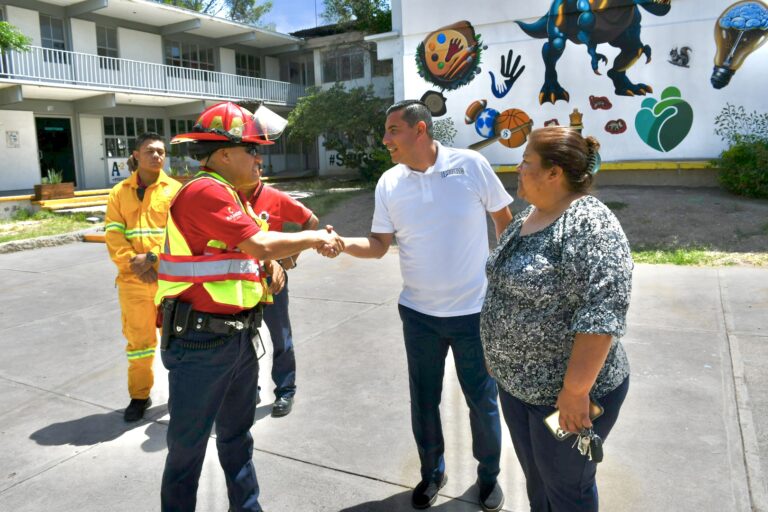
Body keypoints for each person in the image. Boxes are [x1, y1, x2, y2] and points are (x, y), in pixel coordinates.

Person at [155, 101, 344, 512]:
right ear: (224, 154)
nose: (260, 157)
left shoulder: (231, 196)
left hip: (236, 338)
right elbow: (256, 243)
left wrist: (268, 267)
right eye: (252, 150)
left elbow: (240, 254)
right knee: (187, 452)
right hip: (201, 343)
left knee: (238, 440)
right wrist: (312, 240)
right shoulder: (206, 191)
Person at [342, 100, 513, 511]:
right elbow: (380, 245)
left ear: (420, 130)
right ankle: (432, 473)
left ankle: (488, 477)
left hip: (474, 313)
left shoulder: (470, 165)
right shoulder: (389, 183)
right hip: (419, 315)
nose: (385, 140)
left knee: (482, 399)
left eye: (393, 130)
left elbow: (504, 219)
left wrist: (503, 280)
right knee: (424, 399)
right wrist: (340, 244)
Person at [480, 126, 633, 512]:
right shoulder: (529, 216)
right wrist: (497, 354)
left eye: (526, 162)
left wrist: (576, 392)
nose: (518, 168)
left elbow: (600, 316)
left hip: (564, 398)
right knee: (539, 483)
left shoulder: (589, 224)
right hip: (518, 388)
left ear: (554, 172)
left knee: (568, 491)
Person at [105, 132, 181, 422]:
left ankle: (181, 395)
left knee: (176, 341)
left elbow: (180, 235)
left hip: (170, 280)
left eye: (161, 151)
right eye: (150, 150)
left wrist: (152, 260)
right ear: (136, 154)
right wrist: (133, 264)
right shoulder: (119, 192)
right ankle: (139, 396)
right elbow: (113, 235)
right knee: (139, 344)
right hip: (133, 283)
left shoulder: (175, 191)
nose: (157, 156)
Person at [236, 159, 319, 417]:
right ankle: (250, 390)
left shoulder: (276, 198)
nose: (250, 169)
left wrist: (291, 257)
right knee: (243, 339)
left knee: (281, 336)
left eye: (255, 165)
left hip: (273, 280)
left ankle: (285, 390)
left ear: (260, 170)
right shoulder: (232, 198)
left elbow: (311, 221)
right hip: (241, 281)